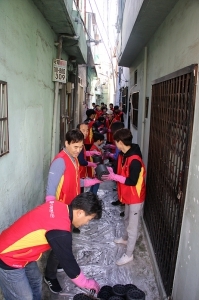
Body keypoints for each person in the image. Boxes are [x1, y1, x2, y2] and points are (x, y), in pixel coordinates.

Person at [0, 192, 102, 299]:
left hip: (25, 253)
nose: (86, 223)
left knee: (36, 282)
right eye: (89, 219)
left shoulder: (58, 205)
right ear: (80, 212)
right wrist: (86, 283)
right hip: (8, 256)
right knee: (24, 297)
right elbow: (67, 261)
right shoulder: (60, 230)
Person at [44, 129, 101, 291]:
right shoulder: (60, 161)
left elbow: (77, 182)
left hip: (70, 209)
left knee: (65, 243)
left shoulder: (74, 159)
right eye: (75, 146)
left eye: (80, 147)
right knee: (61, 245)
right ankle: (49, 275)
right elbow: (50, 191)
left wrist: (94, 180)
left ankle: (60, 264)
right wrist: (52, 212)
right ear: (66, 143)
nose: (78, 150)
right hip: (60, 211)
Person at [102, 128, 146, 266]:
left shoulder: (135, 161)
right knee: (126, 218)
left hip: (135, 197)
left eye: (116, 141)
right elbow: (119, 170)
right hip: (127, 195)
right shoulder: (123, 154)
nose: (115, 144)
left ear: (120, 142)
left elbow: (132, 181)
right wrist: (111, 171)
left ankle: (129, 254)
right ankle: (125, 239)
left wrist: (115, 176)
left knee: (133, 226)